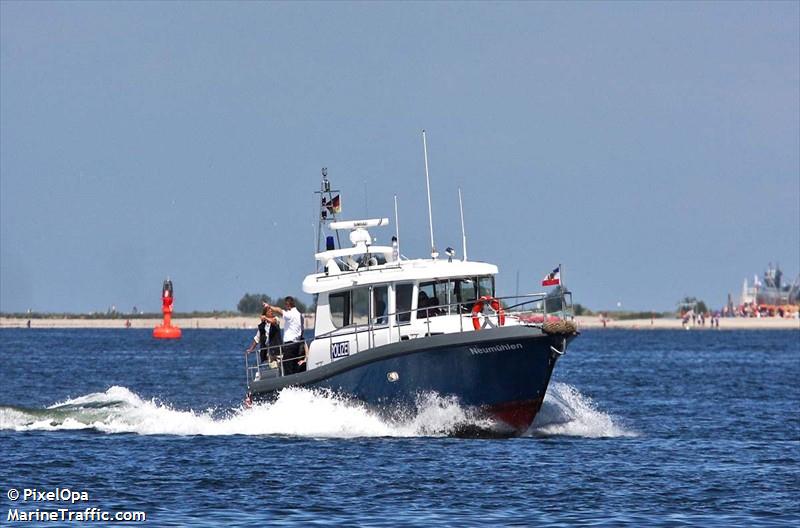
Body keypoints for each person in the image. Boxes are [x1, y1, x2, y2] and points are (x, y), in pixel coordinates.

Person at [265, 296, 305, 375]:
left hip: (289, 345)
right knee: (294, 365)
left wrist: (269, 306)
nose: (285, 308)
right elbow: (302, 330)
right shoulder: (300, 315)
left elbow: (279, 310)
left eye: (286, 306)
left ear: (288, 305)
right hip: (297, 344)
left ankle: (289, 385)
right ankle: (296, 382)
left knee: (286, 365)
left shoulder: (290, 314)